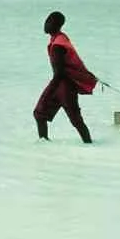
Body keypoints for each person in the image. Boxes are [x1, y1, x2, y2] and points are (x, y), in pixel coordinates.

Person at [33, 12, 97, 142]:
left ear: (57, 25)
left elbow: (59, 73)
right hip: (66, 84)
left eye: (50, 21)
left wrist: (49, 92)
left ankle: (43, 144)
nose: (46, 24)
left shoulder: (57, 46)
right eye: (47, 20)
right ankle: (89, 145)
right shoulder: (61, 38)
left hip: (63, 85)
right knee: (75, 120)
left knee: (41, 114)